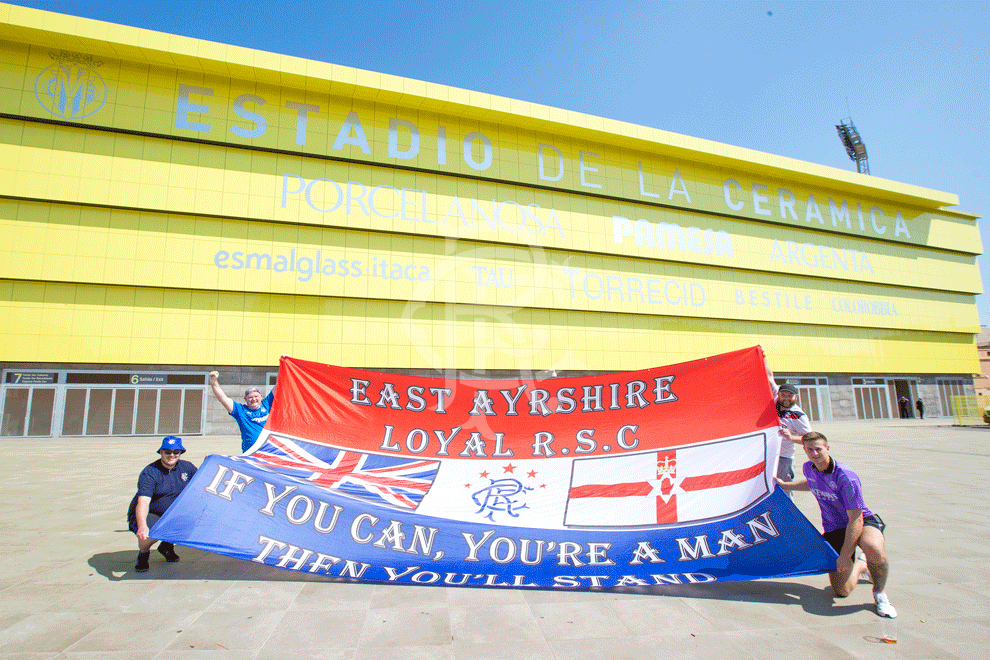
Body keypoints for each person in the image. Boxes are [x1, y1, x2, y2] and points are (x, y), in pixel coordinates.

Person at [777, 431, 897, 618]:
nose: (814, 453)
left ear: (827, 448)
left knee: (872, 546)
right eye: (810, 450)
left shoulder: (846, 477)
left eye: (818, 449)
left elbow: (855, 519)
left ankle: (880, 594)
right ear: (805, 450)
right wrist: (786, 485)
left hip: (860, 521)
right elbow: (811, 483)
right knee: (841, 591)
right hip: (834, 529)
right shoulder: (809, 467)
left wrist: (845, 554)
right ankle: (862, 565)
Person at [127, 436, 197, 572]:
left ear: (180, 453)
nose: (172, 455)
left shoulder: (187, 467)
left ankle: (166, 546)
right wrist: (142, 526)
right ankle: (143, 553)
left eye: (175, 452)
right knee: (149, 533)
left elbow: (203, 482)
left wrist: (208, 464)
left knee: (195, 522)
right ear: (161, 452)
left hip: (173, 512)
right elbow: (143, 502)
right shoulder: (150, 472)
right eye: (167, 452)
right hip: (152, 512)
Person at [209, 371, 275, 452]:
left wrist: (283, 364)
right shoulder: (240, 410)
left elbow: (279, 385)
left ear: (261, 397)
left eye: (256, 396)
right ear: (245, 399)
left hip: (269, 450)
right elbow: (223, 398)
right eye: (250, 397)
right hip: (251, 452)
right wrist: (214, 382)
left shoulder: (267, 404)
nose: (254, 399)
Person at [772, 382, 812, 490]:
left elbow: (809, 439)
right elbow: (769, 375)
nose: (786, 398)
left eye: (790, 396)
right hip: (767, 456)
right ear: (778, 394)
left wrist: (790, 437)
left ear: (796, 396)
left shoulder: (798, 416)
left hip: (783, 459)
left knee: (783, 491)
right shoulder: (775, 396)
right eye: (783, 395)